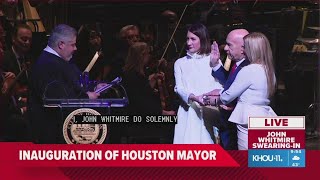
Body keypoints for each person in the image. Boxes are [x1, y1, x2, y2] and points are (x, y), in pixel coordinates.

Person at [28, 24, 101, 143]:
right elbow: (56, 98)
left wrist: (94, 87)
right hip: (51, 134)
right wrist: (87, 97)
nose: (75, 48)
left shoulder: (61, 61)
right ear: (61, 44)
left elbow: (75, 83)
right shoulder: (47, 64)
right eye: (72, 44)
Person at [204, 32, 277, 150]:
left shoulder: (248, 70)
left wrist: (209, 99)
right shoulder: (268, 70)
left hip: (247, 118)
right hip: (264, 115)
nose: (243, 50)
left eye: (245, 47)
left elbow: (227, 97)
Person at [173, 23, 222, 144]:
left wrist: (209, 99)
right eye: (187, 39)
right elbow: (179, 88)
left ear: (203, 39)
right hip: (188, 113)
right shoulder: (180, 63)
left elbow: (220, 86)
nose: (189, 43)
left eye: (193, 39)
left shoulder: (213, 60)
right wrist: (194, 97)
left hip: (210, 112)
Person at [203, 29, 250, 150]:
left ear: (243, 48)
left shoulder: (248, 68)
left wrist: (220, 97)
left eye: (230, 45)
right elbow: (230, 83)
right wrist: (215, 64)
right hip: (228, 127)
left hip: (237, 129)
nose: (225, 48)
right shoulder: (237, 64)